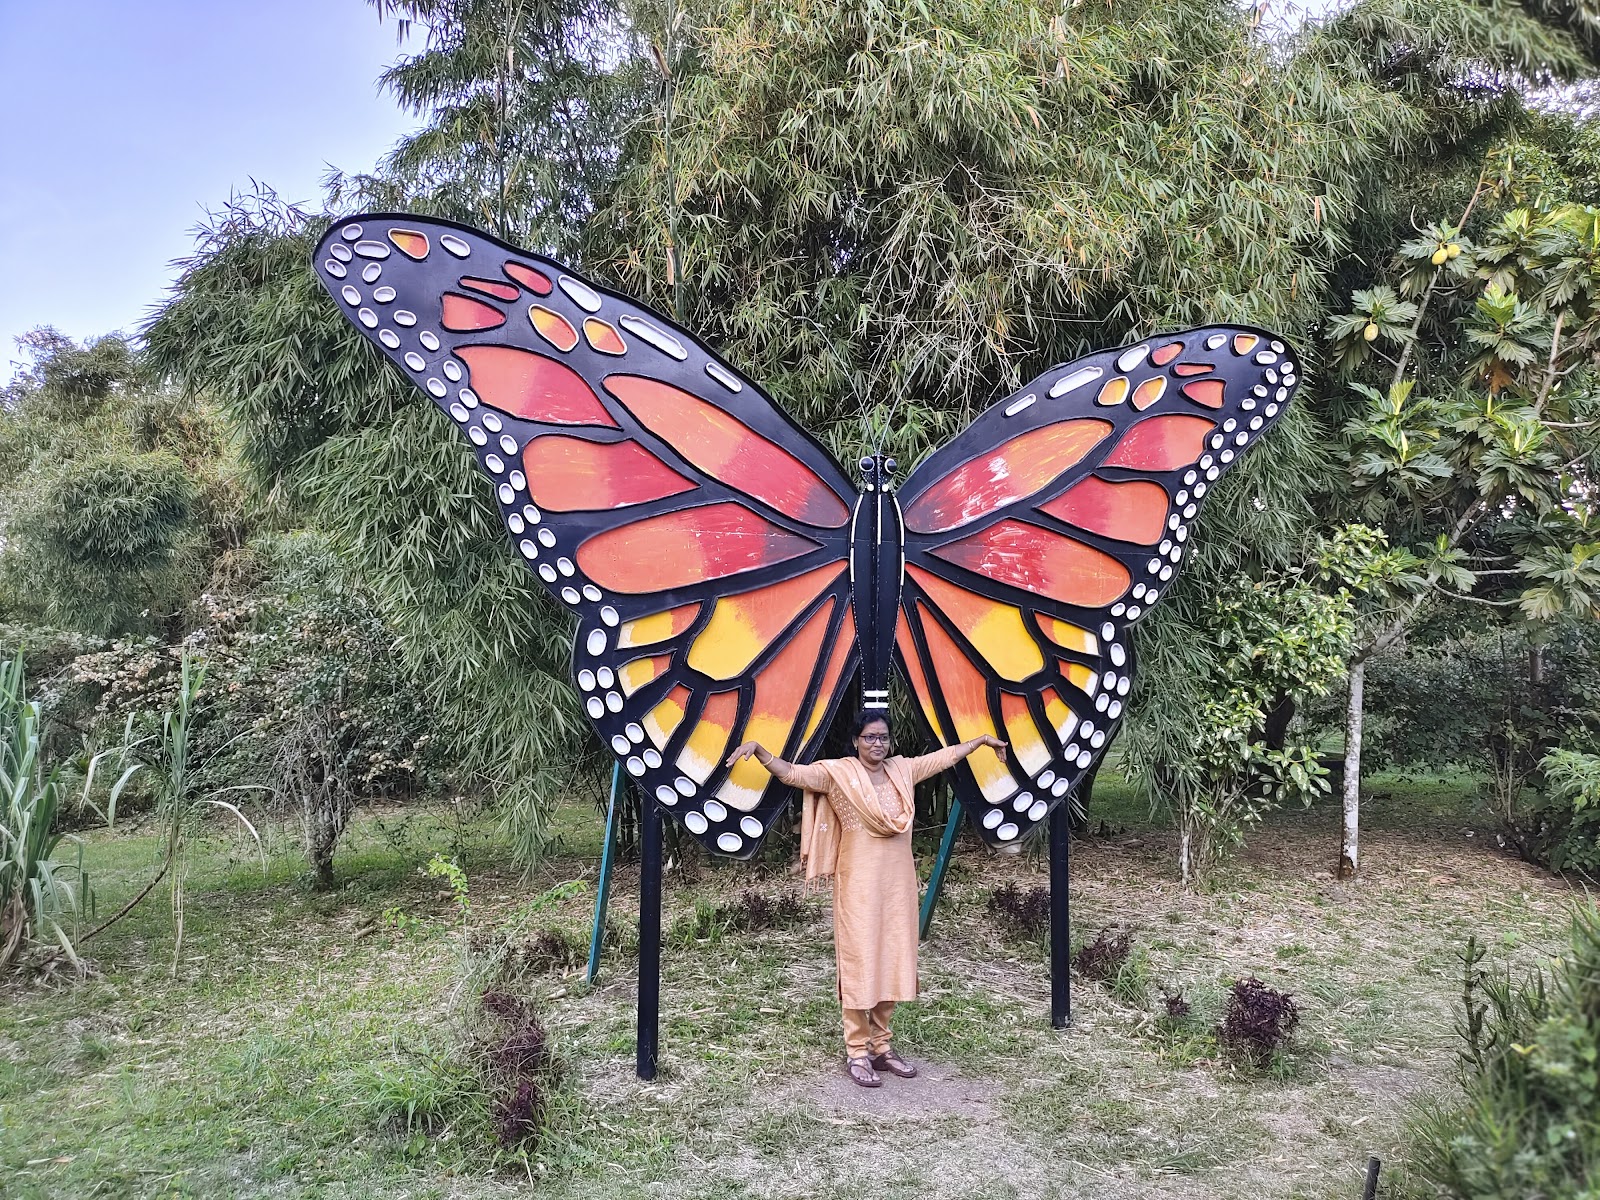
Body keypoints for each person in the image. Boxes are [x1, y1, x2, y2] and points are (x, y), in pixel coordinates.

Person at [726, 713, 1007, 1088]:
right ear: (856, 740)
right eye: (870, 737)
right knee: (860, 962)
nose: (878, 744)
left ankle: (882, 1045)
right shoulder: (838, 774)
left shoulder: (902, 771)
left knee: (892, 957)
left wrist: (981, 741)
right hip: (857, 885)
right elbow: (793, 774)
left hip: (897, 885)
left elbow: (943, 758)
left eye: (884, 738)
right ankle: (857, 1050)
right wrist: (760, 751)